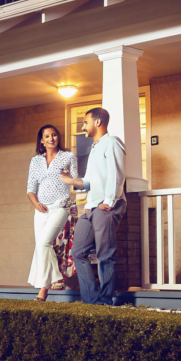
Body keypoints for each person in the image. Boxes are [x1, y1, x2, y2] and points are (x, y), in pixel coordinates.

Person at [60, 107, 126, 305]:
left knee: (105, 254)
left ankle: (105, 301)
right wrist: (70, 180)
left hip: (105, 206)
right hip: (91, 208)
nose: (83, 127)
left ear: (97, 122)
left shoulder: (112, 143)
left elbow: (117, 174)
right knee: (78, 252)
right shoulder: (95, 148)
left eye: (85, 122)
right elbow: (87, 182)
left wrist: (109, 202)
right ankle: (92, 301)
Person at [27, 125, 77, 301]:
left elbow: (76, 183)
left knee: (43, 244)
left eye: (54, 135)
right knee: (41, 247)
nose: (51, 138)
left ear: (58, 137)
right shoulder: (36, 161)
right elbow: (30, 189)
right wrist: (36, 204)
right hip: (41, 210)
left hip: (60, 206)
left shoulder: (68, 156)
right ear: (41, 140)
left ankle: (49, 284)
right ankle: (45, 288)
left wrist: (69, 179)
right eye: (47, 136)